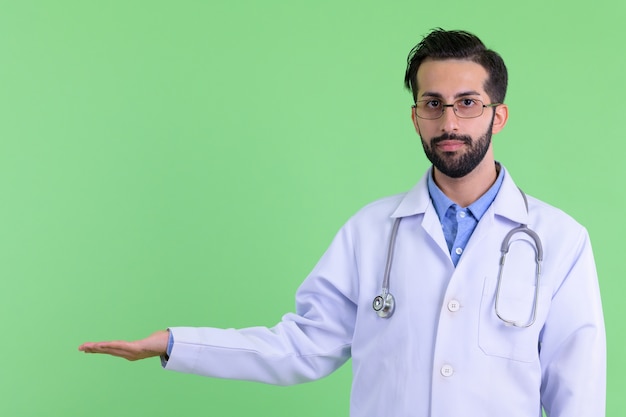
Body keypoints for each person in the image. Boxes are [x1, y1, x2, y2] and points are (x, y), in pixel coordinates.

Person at [79, 28, 606, 416]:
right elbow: (300, 347)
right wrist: (175, 343)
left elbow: (575, 392)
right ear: (415, 115)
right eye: (433, 104)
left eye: (468, 104)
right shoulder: (371, 232)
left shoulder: (559, 241)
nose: (449, 122)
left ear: (498, 115)